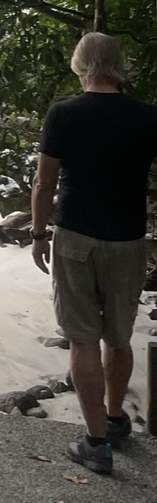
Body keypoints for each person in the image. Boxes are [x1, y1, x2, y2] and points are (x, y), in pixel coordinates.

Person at [31, 32, 157, 475]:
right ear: (117, 65)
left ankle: (96, 442)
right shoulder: (147, 116)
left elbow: (44, 183)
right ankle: (116, 417)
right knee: (119, 337)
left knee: (83, 339)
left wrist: (38, 233)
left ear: (79, 65)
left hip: (76, 238)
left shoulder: (64, 114)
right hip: (128, 241)